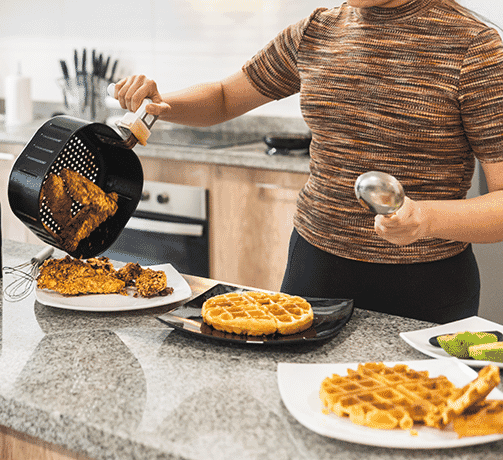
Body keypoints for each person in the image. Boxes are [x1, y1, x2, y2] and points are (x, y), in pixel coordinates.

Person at [111, 0, 503, 324]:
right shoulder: (316, 31)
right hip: (315, 267)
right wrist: (161, 105)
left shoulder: (475, 47)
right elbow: (226, 96)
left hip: (425, 286)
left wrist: (425, 220)